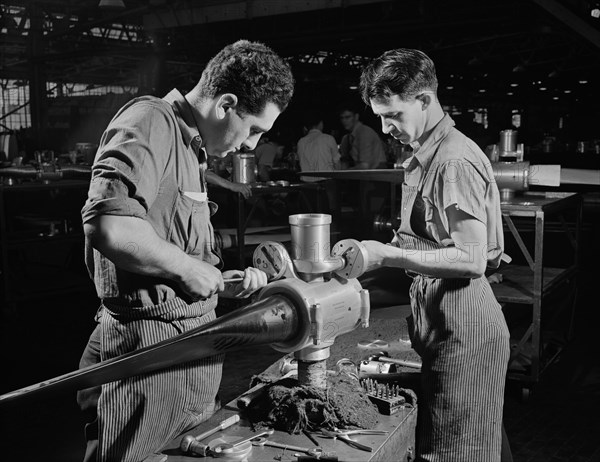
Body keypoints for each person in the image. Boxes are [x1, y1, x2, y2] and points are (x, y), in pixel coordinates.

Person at [77, 40, 294, 462]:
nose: (251, 145)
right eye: (253, 129)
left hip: (187, 343)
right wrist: (187, 270)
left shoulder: (191, 147)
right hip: (150, 349)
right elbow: (110, 226)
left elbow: (169, 246)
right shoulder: (150, 121)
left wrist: (219, 283)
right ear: (226, 104)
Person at [358, 48, 510, 461]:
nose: (386, 127)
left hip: (465, 324)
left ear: (425, 100)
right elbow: (424, 239)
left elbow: (471, 258)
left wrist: (387, 255)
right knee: (459, 441)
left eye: (393, 115)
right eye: (380, 117)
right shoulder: (424, 156)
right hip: (443, 318)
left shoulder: (452, 162)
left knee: (452, 452)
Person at [296, 114, 341, 216]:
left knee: (310, 217)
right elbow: (337, 162)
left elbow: (299, 163)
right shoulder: (328, 138)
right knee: (330, 216)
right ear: (320, 124)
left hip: (306, 185)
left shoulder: (301, 142)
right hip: (327, 183)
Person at [338, 105, 387, 169]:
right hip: (366, 174)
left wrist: (344, 172)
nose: (344, 121)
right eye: (342, 118)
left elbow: (364, 166)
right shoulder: (347, 137)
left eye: (347, 117)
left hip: (376, 174)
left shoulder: (364, 132)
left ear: (356, 117)